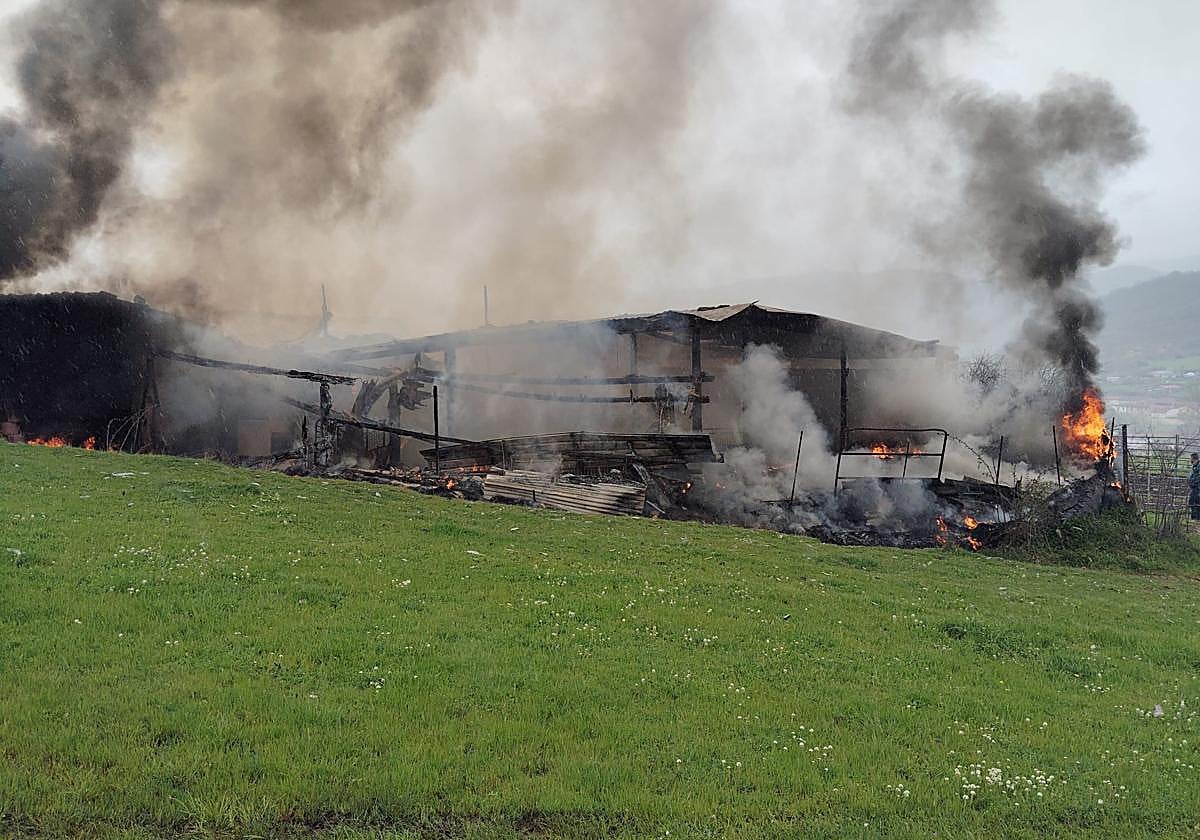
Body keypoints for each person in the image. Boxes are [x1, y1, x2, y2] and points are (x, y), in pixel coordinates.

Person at [1190, 452, 1200, 521]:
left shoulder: (1198, 467)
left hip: (1198, 488)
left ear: (1194, 459)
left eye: (1191, 459)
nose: (1190, 461)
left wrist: (1193, 483)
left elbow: (1198, 477)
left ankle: (1197, 518)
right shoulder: (1195, 466)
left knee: (1196, 503)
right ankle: (1194, 518)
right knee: (1192, 502)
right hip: (1195, 488)